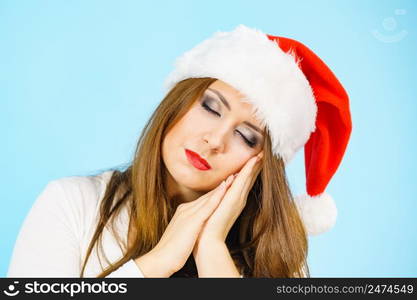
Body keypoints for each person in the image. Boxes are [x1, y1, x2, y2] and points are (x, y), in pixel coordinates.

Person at [7, 24, 352, 278]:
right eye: (211, 107)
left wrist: (212, 247)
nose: (215, 140)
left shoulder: (275, 256)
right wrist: (158, 262)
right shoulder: (72, 204)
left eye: (246, 137)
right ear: (178, 102)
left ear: (260, 166)